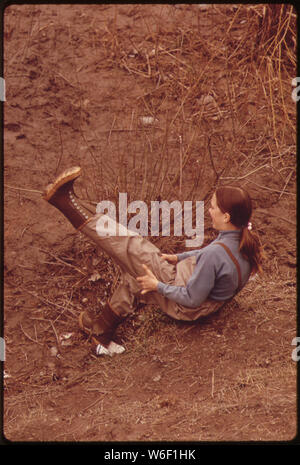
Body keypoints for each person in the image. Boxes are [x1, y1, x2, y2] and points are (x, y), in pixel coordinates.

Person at [42, 167, 264, 355]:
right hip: (199, 291)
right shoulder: (242, 238)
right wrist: (178, 257)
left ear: (226, 217)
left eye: (214, 207)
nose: (209, 210)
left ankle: (65, 203)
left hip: (187, 304)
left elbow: (192, 298)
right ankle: (101, 333)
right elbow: (210, 259)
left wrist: (156, 286)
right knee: (134, 268)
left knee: (130, 245)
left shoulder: (216, 254)